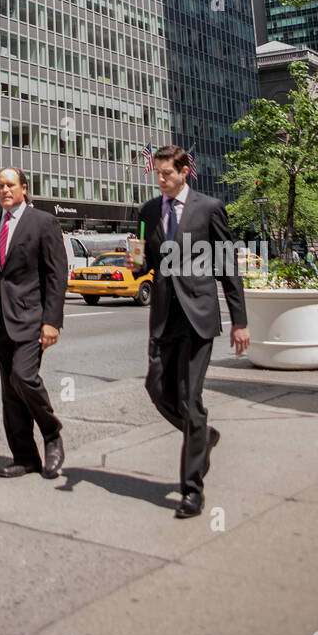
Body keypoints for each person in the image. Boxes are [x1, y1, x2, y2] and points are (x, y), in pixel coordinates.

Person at [132, 145, 249, 518]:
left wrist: (239, 321)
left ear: (184, 171)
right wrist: (134, 264)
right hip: (164, 318)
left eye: (167, 173)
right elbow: (148, 262)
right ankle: (203, 434)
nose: (161, 180)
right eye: (158, 174)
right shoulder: (149, 212)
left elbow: (227, 265)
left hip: (198, 316)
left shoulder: (208, 208)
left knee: (188, 397)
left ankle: (192, 490)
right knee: (156, 388)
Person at [0, 167, 67, 478]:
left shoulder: (44, 223)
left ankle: (51, 432)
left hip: (32, 319)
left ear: (24, 188)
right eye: (0, 186)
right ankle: (25, 457)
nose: (4, 190)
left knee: (24, 377)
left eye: (10, 185)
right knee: (10, 392)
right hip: (1, 324)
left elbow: (56, 275)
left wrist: (52, 321)